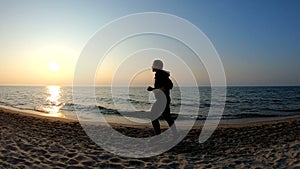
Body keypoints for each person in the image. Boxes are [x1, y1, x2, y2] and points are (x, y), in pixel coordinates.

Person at [147, 60, 176, 135]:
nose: (152, 66)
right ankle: (175, 134)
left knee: (153, 116)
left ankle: (158, 135)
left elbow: (169, 86)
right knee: (167, 117)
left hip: (162, 100)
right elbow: (164, 86)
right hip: (164, 99)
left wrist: (157, 89)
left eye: (153, 65)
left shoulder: (160, 74)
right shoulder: (160, 74)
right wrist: (153, 89)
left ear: (157, 66)